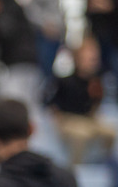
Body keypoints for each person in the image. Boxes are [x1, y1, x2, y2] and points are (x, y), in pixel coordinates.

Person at [47, 39, 118, 171]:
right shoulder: (64, 81)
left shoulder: (96, 82)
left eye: (94, 58)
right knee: (81, 134)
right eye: (89, 58)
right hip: (69, 119)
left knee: (110, 131)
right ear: (78, 59)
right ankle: (75, 169)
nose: (92, 62)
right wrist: (58, 119)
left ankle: (106, 165)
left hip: (89, 119)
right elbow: (49, 101)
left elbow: (95, 104)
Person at [27, 0, 66, 80]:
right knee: (44, 66)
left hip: (56, 34)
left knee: (53, 65)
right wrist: (45, 26)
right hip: (45, 34)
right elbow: (32, 12)